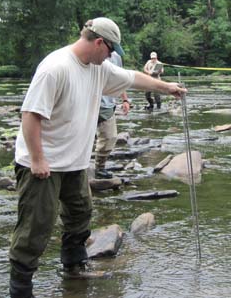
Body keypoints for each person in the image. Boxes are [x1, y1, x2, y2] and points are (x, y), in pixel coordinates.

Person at [9, 17, 186, 298]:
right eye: (110, 49)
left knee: (80, 214)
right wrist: (38, 159)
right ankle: (20, 289)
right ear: (98, 42)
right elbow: (30, 116)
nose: (112, 56)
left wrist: (167, 88)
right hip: (42, 163)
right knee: (35, 228)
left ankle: (73, 267)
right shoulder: (55, 68)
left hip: (75, 164)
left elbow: (133, 77)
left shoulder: (99, 69)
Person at [94, 51, 130, 179]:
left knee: (110, 137)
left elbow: (121, 80)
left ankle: (99, 168)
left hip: (107, 104)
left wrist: (125, 100)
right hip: (86, 103)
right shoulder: (89, 53)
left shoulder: (116, 57)